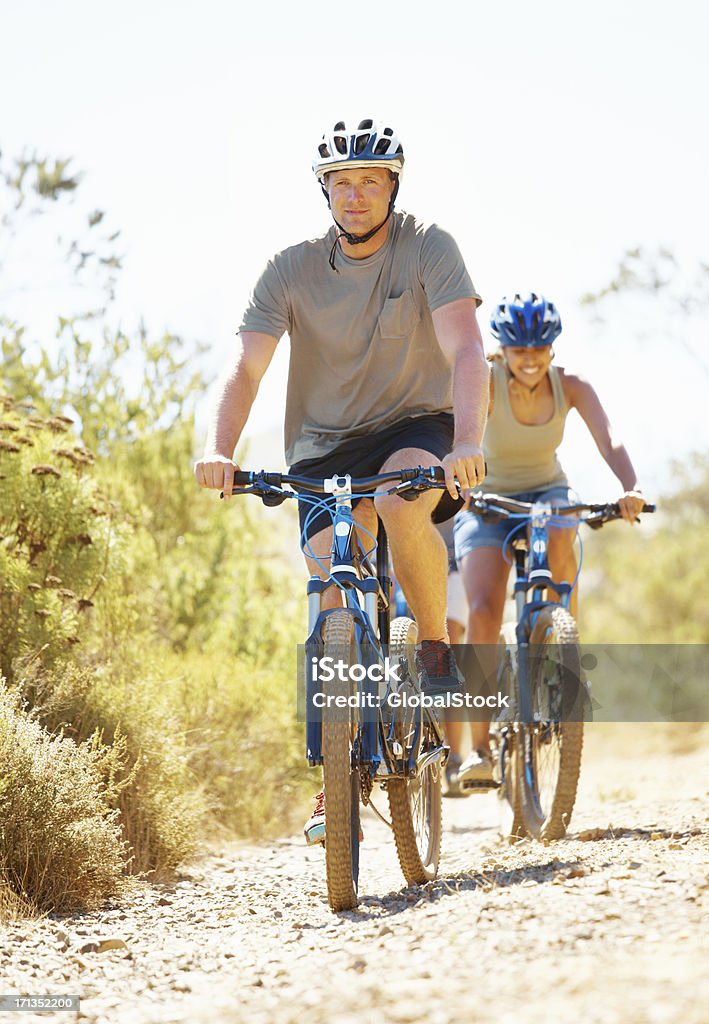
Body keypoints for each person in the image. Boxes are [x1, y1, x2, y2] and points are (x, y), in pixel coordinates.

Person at [194, 118, 489, 841]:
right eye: (341, 183)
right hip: (321, 452)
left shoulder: (428, 248)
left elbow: (465, 348)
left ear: (392, 186)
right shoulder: (290, 269)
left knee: (399, 497)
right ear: (323, 190)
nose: (354, 196)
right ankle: (335, 785)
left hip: (413, 429)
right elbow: (246, 367)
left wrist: (469, 441)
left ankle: (430, 648)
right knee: (330, 591)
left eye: (369, 182)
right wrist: (219, 447)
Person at [452, 292, 646, 787]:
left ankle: (562, 652)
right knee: (482, 612)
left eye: (540, 348)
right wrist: (462, 487)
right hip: (488, 499)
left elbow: (610, 438)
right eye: (520, 350)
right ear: (504, 350)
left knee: (564, 532)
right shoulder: (486, 381)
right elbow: (451, 429)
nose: (531, 358)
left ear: (553, 349)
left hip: (548, 493)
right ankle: (477, 749)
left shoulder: (572, 387)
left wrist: (630, 487)